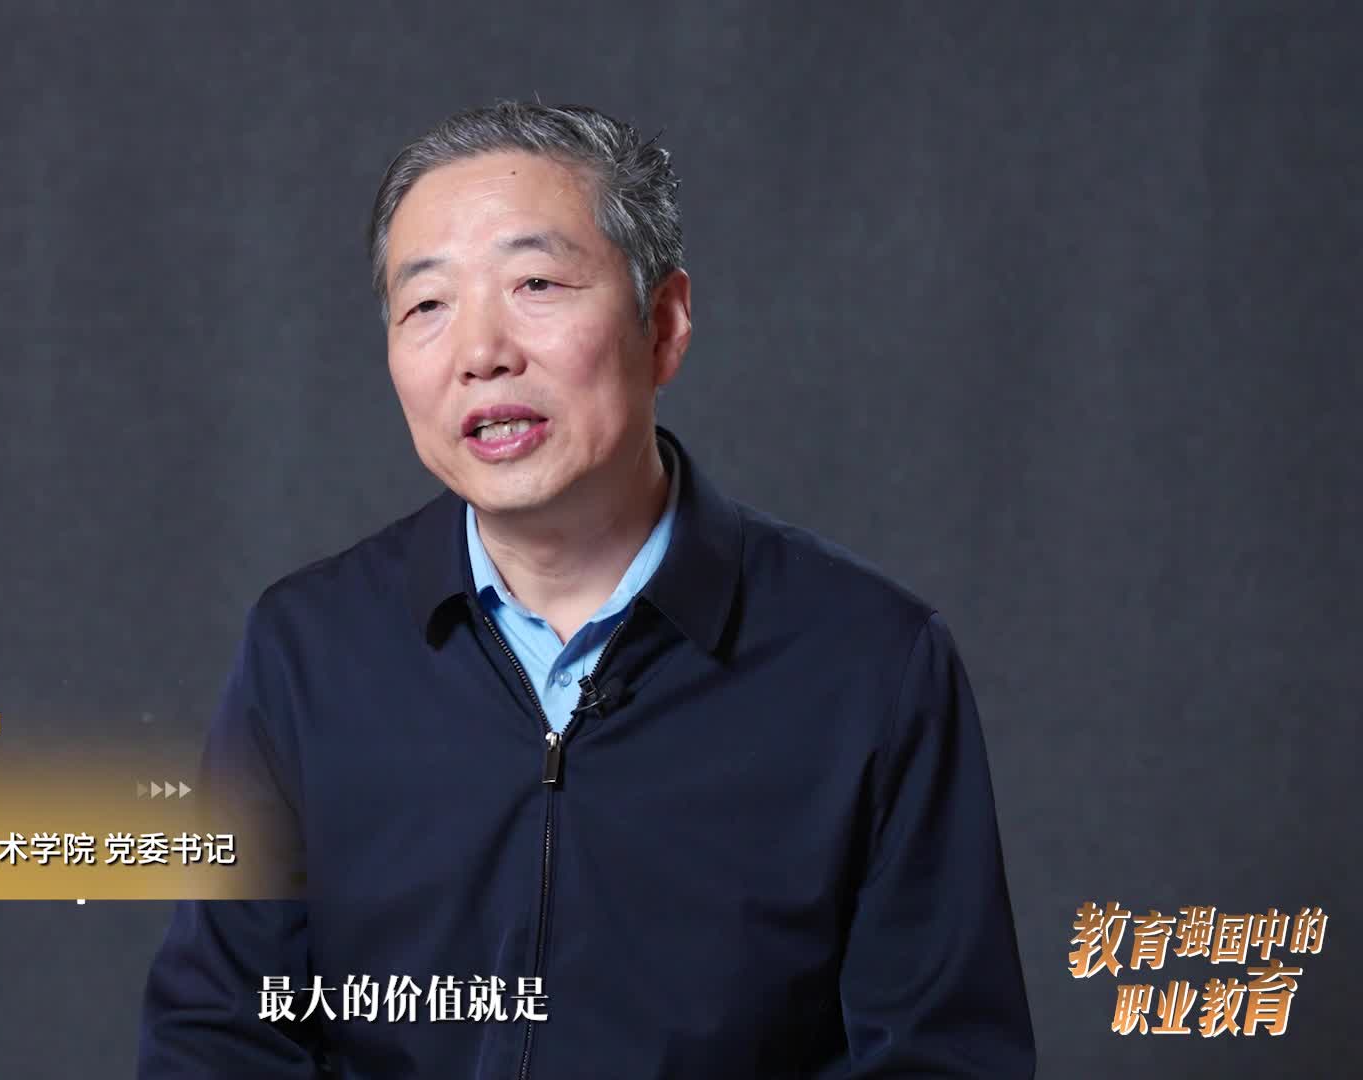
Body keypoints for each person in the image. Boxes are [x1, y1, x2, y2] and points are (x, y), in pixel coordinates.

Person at [138, 101, 1034, 1078]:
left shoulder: (869, 663)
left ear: (664, 325)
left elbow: (943, 1060)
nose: (481, 352)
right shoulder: (309, 649)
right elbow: (216, 1036)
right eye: (427, 304)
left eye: (536, 283)